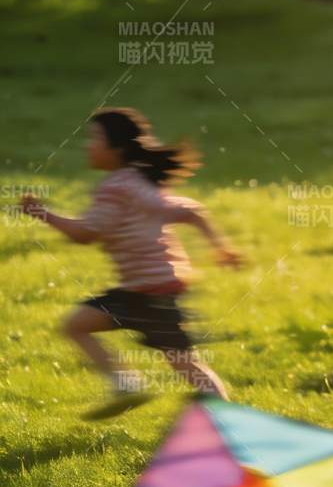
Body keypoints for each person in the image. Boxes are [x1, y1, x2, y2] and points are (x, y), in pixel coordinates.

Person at [19, 107, 241, 419]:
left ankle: (133, 386)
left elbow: (85, 234)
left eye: (95, 138)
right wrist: (221, 247)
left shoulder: (115, 188)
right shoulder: (139, 182)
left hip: (146, 292)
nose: (87, 145)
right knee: (180, 361)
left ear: (117, 148)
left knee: (82, 328)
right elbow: (191, 211)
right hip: (151, 289)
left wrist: (42, 214)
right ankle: (132, 386)